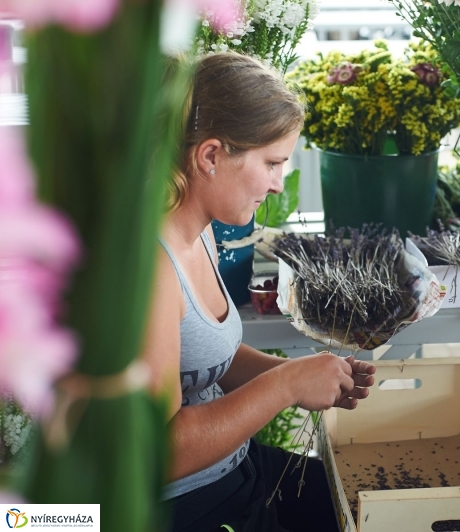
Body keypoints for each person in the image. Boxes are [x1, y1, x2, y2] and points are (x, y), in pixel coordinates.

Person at [141, 52, 376, 532]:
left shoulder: (199, 228)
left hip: (238, 469)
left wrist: (297, 372)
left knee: (374, 501)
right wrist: (285, 387)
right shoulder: (148, 268)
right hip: (183, 507)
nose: (277, 184)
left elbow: (205, 359)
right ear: (209, 156)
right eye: (271, 163)